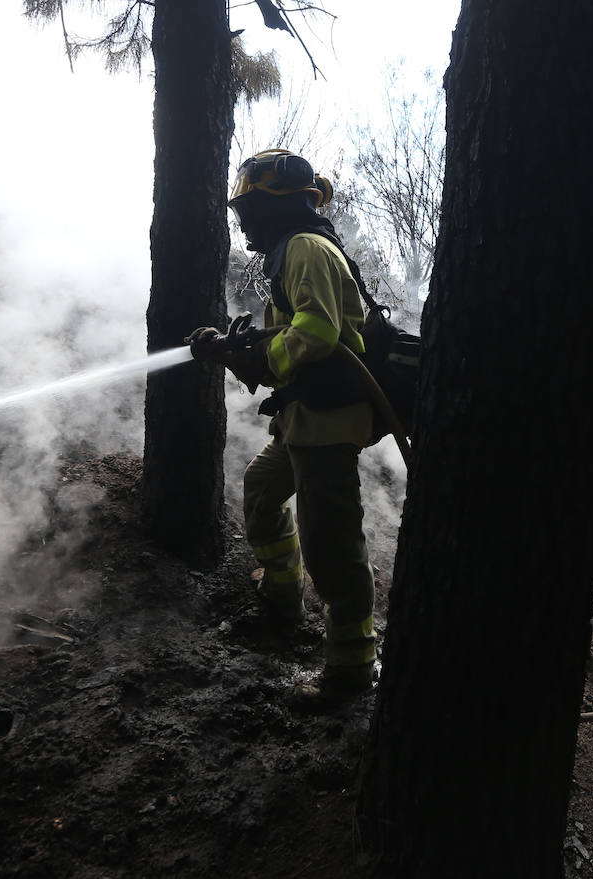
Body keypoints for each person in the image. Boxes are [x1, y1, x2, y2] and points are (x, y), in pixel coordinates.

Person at [189, 148, 377, 712]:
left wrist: (266, 361)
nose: (242, 220)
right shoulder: (291, 251)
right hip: (305, 418)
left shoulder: (304, 248)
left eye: (248, 208)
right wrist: (238, 345)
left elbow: (317, 333)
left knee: (332, 544)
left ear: (277, 207)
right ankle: (282, 596)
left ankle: (352, 665)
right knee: (263, 490)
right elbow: (293, 330)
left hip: (328, 424)